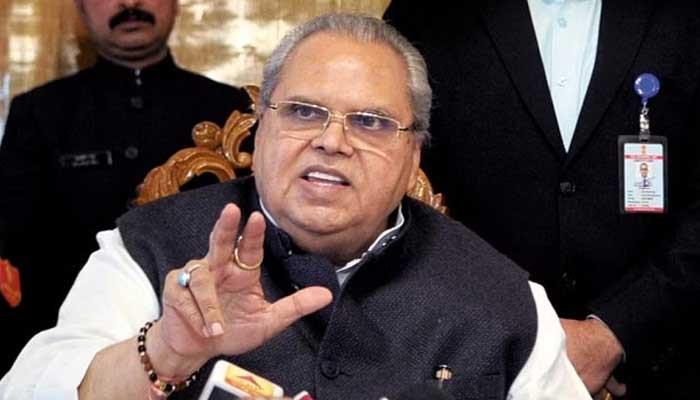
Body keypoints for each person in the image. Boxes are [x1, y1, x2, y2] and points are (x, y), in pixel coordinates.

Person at [0, 13, 591, 400]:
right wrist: (166, 351)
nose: (332, 141)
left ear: (414, 154)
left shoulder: (505, 297)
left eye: (370, 121)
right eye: (304, 112)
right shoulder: (148, 250)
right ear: (259, 130)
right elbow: (29, 389)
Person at [383, 0, 700, 398]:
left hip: (664, 363)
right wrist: (515, 336)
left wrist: (617, 330)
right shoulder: (425, 15)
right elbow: (393, 197)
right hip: (477, 369)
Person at [0, 0, 251, 374]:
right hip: (68, 345)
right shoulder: (39, 113)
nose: (130, 4)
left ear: (175, 5)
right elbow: (14, 241)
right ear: (81, 10)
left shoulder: (230, 111)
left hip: (209, 343)